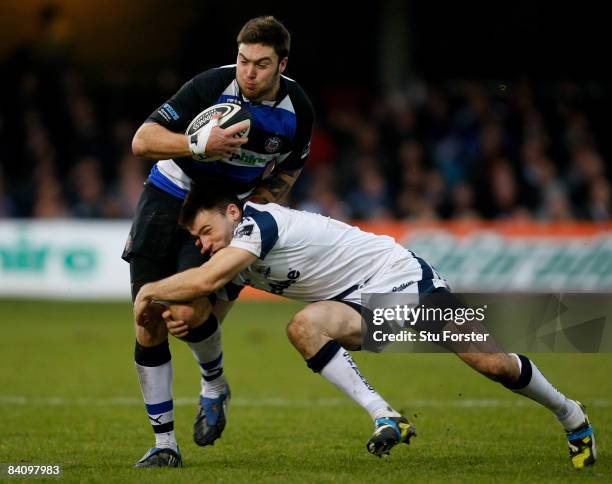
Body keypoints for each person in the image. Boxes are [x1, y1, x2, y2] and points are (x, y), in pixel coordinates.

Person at [134, 182, 596, 470]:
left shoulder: (258, 224)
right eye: (196, 239)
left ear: (232, 212)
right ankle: (384, 414)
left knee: (492, 364)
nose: (202, 244)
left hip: (405, 280)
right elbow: (211, 316)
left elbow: (208, 279)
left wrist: (150, 290)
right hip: (353, 304)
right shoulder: (233, 258)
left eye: (205, 232)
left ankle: (570, 414)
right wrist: (180, 317)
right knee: (303, 327)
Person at [123, 16, 314, 468]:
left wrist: (251, 210)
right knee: (147, 317)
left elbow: (289, 170)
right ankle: (165, 444)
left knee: (188, 312)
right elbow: (141, 140)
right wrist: (196, 144)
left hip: (218, 213)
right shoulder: (211, 86)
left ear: (281, 65)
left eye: (261, 64)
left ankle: (213, 383)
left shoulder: (297, 109)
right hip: (167, 195)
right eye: (243, 60)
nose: (248, 72)